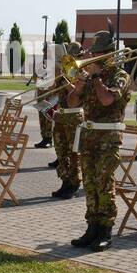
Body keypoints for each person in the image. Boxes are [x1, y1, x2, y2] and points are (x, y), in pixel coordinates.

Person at [66, 31, 130, 251]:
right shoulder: (92, 76)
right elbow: (72, 102)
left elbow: (107, 100)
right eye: (93, 52)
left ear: (109, 54)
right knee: (90, 184)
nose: (93, 56)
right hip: (89, 138)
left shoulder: (119, 75)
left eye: (98, 53)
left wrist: (95, 78)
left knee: (104, 184)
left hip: (108, 139)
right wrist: (80, 85)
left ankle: (105, 231)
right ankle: (91, 227)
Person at [51, 39, 84, 197]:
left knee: (73, 152)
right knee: (61, 151)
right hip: (62, 114)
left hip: (74, 115)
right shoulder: (66, 69)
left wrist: (64, 80)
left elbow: (78, 91)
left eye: (74, 55)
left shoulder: (82, 70)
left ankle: (74, 183)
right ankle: (65, 181)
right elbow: (55, 91)